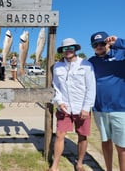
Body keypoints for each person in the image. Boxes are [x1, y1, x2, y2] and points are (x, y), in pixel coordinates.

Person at [49, 38, 96, 171]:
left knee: (82, 135)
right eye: (65, 49)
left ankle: (79, 163)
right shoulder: (57, 66)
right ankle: (54, 166)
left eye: (71, 48)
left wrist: (86, 108)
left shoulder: (86, 65)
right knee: (59, 135)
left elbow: (91, 88)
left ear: (75, 49)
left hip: (82, 108)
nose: (68, 51)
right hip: (64, 107)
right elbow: (56, 86)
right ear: (62, 51)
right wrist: (59, 101)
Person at [88, 31, 125, 171]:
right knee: (105, 142)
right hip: (100, 109)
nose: (99, 46)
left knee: (122, 147)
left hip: (120, 109)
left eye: (102, 43)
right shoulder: (91, 62)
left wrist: (119, 42)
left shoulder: (121, 55)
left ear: (108, 42)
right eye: (95, 44)